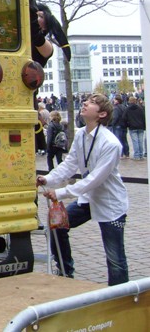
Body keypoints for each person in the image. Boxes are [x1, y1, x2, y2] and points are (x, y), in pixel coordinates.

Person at [36, 94, 128, 286]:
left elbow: (94, 180)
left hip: (110, 204)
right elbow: (70, 164)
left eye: (92, 103)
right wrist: (48, 178)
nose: (85, 103)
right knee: (57, 226)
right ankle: (65, 272)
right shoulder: (80, 135)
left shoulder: (111, 143)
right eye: (86, 101)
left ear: (102, 114)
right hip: (87, 199)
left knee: (115, 259)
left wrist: (60, 193)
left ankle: (120, 296)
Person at [121, 96, 146, 161]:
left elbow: (124, 118)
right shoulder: (140, 108)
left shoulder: (127, 109)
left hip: (132, 127)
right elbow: (144, 117)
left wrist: (127, 124)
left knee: (135, 141)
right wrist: (144, 126)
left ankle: (136, 155)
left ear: (129, 101)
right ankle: (141, 155)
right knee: (140, 141)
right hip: (140, 126)